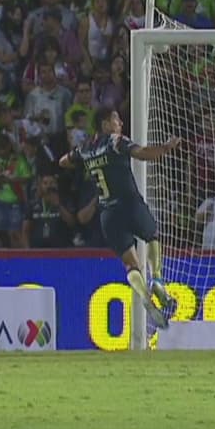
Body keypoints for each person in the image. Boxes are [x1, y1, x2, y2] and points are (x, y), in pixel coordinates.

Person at [59, 108, 182, 332]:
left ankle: (144, 295)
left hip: (108, 214)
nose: (121, 123)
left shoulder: (85, 148)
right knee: (152, 236)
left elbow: (63, 162)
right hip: (130, 204)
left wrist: (86, 161)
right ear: (105, 124)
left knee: (130, 265)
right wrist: (165, 147)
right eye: (116, 120)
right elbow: (142, 153)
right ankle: (157, 278)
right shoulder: (115, 141)